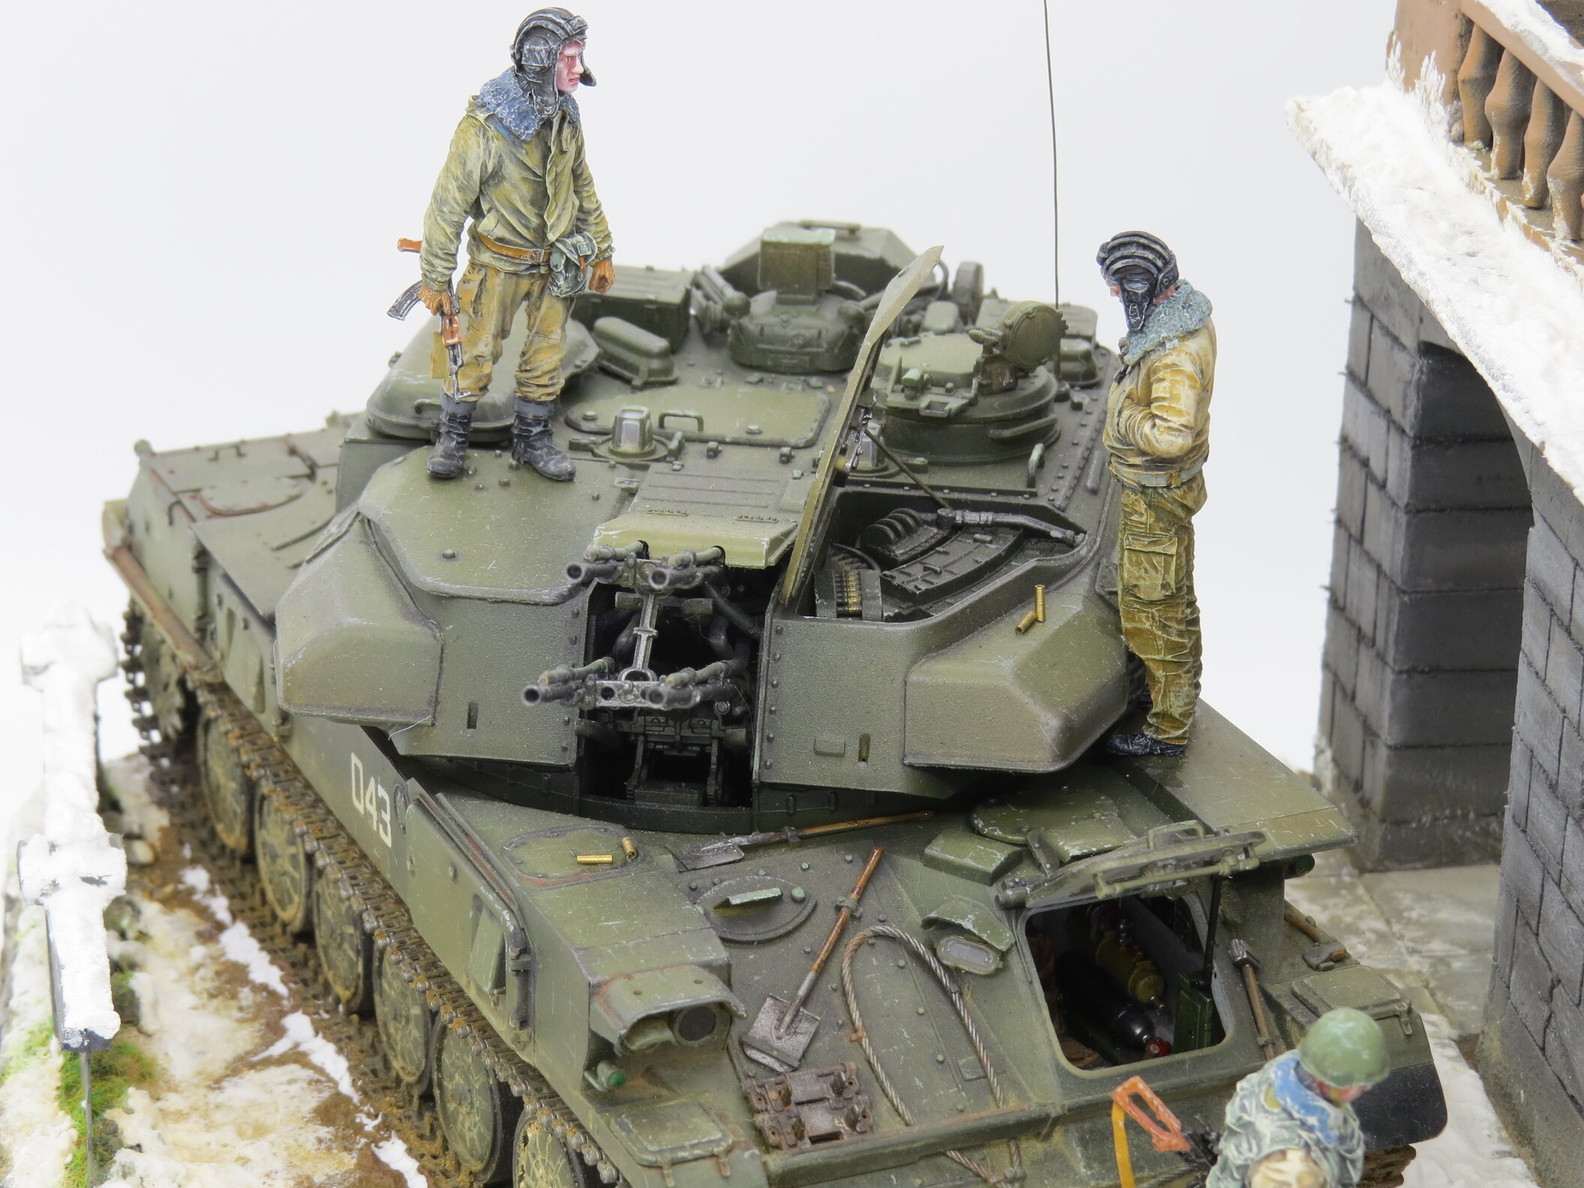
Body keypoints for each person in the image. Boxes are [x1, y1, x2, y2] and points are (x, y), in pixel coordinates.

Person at [417, 8, 616, 481]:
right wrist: (435, 278)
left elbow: (581, 184)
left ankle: (533, 438)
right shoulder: (485, 127)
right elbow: (448, 204)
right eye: (568, 57)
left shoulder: (565, 115)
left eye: (580, 56)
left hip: (558, 263)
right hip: (497, 264)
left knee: (547, 355)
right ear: (542, 60)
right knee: (473, 351)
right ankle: (453, 436)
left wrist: (602, 250)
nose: (577, 68)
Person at [1096, 231, 1215, 758]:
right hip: (1159, 492)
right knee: (1173, 601)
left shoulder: (1174, 353)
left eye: (1120, 287)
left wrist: (1123, 416)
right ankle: (1172, 699)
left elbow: (1171, 436)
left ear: (1141, 286)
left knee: (1153, 612)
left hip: (1154, 496)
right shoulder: (1178, 324)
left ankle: (1167, 729)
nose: (1116, 296)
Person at [1207, 1008, 1391, 1188]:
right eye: (1361, 1082)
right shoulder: (1290, 1161)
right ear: (1334, 1080)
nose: (1366, 1087)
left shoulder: (1296, 1069)